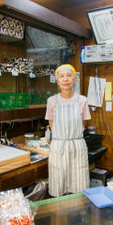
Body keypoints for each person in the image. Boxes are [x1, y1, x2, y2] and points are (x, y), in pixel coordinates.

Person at [45, 64, 91, 197]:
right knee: (59, 183)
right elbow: (51, 122)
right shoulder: (51, 101)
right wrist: (61, 137)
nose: (65, 79)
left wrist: (72, 136)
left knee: (79, 183)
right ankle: (60, 215)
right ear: (57, 81)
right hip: (59, 145)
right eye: (62, 76)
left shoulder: (82, 100)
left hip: (77, 145)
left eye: (69, 76)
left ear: (74, 79)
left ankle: (79, 214)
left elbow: (83, 122)